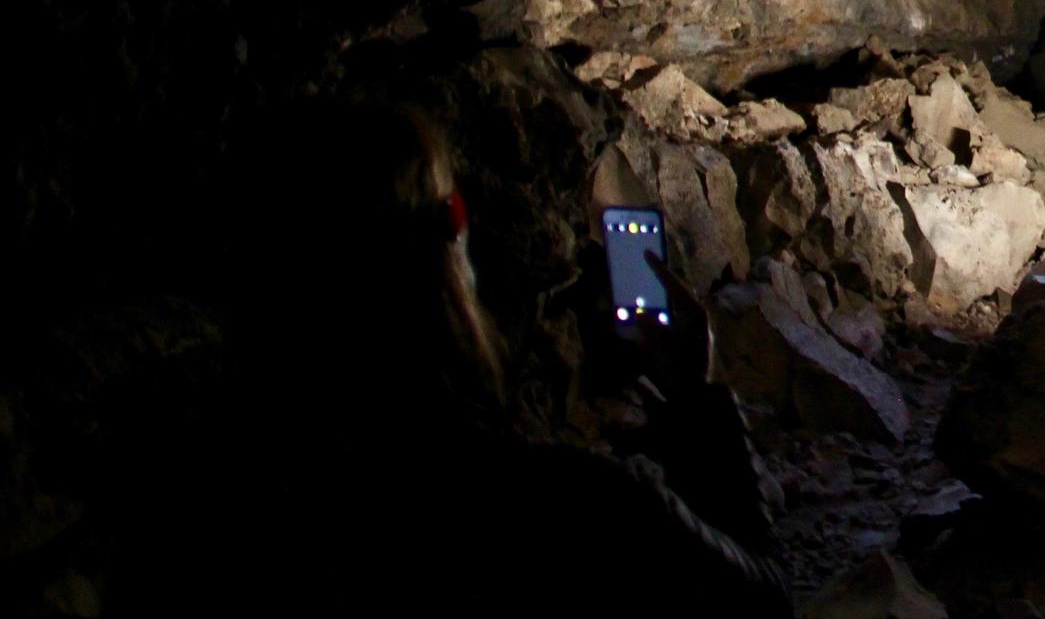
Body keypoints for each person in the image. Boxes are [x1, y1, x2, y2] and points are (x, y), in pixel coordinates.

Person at [118, 97, 789, 617]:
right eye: (454, 205)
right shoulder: (562, 506)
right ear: (446, 242)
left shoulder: (198, 523)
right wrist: (700, 401)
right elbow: (762, 600)